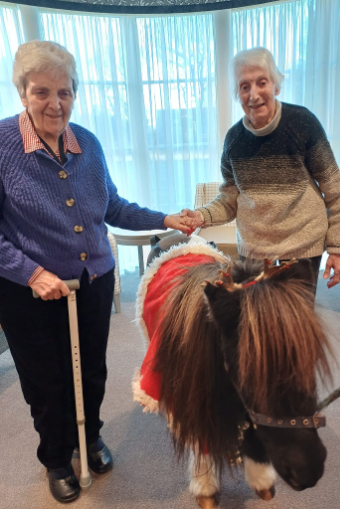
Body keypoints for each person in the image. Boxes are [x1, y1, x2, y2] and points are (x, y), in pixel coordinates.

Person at [0, 40, 192, 504]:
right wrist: (29, 273)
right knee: (45, 380)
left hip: (91, 281)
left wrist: (163, 219)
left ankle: (90, 439)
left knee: (91, 371)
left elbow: (113, 206)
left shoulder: (87, 141)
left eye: (64, 92)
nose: (55, 103)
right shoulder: (3, 145)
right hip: (29, 289)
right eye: (42, 91)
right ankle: (57, 456)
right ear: (22, 92)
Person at [182, 47, 340, 294]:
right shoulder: (234, 140)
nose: (254, 94)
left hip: (302, 248)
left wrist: (336, 248)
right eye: (244, 86)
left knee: (295, 327)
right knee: (257, 325)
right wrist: (201, 216)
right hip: (254, 252)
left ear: (276, 86)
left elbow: (336, 191)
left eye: (262, 82)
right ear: (237, 94)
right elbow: (230, 199)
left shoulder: (303, 123)